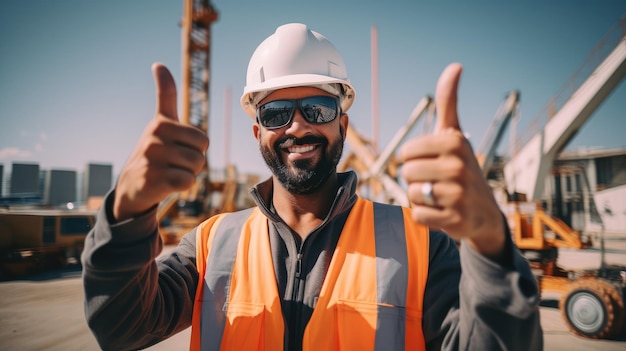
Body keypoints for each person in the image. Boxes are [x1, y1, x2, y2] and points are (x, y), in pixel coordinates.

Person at [82, 23, 543, 350]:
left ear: (343, 124)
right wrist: (127, 210)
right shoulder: (210, 244)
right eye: (276, 114)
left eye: (318, 109)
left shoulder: (421, 244)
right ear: (257, 132)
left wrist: (490, 246)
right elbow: (120, 328)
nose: (297, 127)